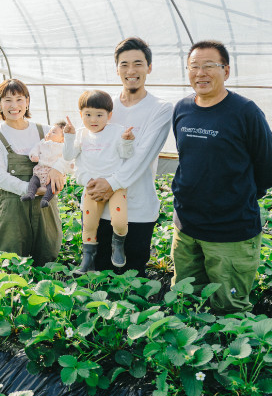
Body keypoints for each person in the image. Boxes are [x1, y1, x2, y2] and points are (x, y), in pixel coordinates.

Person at [171, 40, 272, 313]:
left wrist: (235, 199)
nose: (200, 73)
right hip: (186, 228)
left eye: (209, 66)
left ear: (226, 71)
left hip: (230, 231)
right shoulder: (182, 108)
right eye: (194, 66)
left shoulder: (245, 112)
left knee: (229, 306)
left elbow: (265, 167)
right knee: (185, 298)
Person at [84, 37, 173, 277]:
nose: (131, 71)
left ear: (149, 68)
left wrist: (111, 183)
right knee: (100, 277)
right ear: (117, 69)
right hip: (100, 206)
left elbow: (143, 156)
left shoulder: (161, 108)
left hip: (138, 210)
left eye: (138, 64)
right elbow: (88, 144)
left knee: (132, 281)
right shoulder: (105, 106)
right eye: (124, 64)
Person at [0, 79, 63, 266]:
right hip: (12, 206)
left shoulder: (44, 130)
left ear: (27, 101)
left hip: (45, 206)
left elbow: (68, 153)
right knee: (12, 259)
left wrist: (59, 170)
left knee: (47, 254)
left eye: (19, 99)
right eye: (8, 100)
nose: (14, 106)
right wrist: (31, 190)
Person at [63, 90, 135, 273]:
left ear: (109, 115)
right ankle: (87, 259)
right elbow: (68, 156)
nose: (93, 119)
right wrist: (69, 136)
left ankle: (117, 245)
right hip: (91, 186)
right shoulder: (80, 134)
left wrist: (127, 141)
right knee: (89, 225)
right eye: (87, 114)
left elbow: (127, 155)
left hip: (115, 185)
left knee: (119, 222)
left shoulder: (117, 131)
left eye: (99, 115)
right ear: (81, 115)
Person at [21, 121, 70, 209]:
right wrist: (34, 155)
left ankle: (45, 199)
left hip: (53, 175)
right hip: (40, 171)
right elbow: (35, 149)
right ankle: (30, 194)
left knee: (53, 186)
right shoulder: (42, 142)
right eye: (50, 131)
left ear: (63, 139)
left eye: (53, 132)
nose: (49, 133)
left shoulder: (63, 147)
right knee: (34, 181)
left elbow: (67, 159)